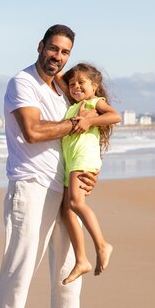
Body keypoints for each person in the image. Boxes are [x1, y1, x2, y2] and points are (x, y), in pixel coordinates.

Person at [0, 25, 102, 308]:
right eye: (53, 49)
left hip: (65, 188)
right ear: (40, 46)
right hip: (30, 187)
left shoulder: (63, 91)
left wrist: (87, 173)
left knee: (68, 268)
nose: (58, 57)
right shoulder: (22, 83)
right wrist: (79, 123)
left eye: (65, 52)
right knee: (19, 270)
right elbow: (32, 131)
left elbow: (81, 140)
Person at [58, 63, 121, 286]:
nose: (75, 86)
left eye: (82, 83)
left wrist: (89, 120)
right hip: (70, 162)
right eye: (72, 83)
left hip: (83, 159)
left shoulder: (94, 103)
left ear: (95, 86)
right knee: (66, 211)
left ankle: (102, 244)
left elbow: (115, 116)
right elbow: (59, 76)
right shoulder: (73, 105)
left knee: (76, 203)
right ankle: (81, 260)